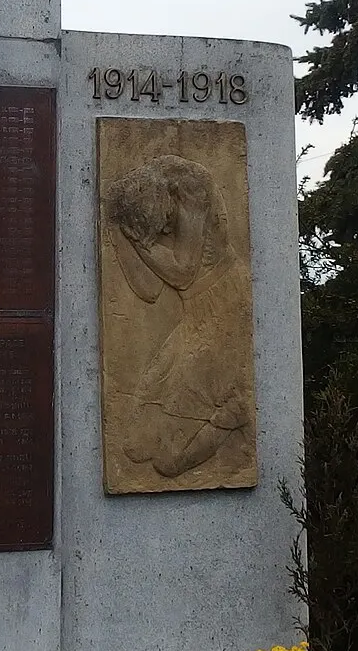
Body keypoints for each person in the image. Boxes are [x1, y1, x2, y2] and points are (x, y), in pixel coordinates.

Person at [104, 154, 254, 482]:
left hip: (226, 306)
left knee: (168, 463)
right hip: (194, 315)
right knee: (133, 444)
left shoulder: (191, 185)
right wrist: (122, 236)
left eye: (165, 226)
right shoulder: (140, 206)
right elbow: (148, 291)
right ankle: (227, 405)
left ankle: (232, 414)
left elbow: (183, 273)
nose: (167, 232)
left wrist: (141, 246)